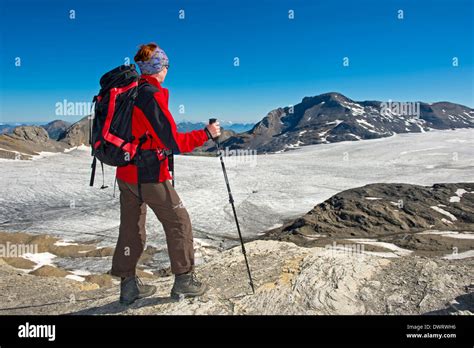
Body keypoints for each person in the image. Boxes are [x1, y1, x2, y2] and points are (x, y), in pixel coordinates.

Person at [110, 42, 221, 305]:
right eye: (167, 65)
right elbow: (173, 141)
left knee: (131, 228)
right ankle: (184, 280)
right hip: (150, 174)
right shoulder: (151, 95)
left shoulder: (130, 92)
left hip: (125, 174)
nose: (168, 69)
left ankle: (128, 287)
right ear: (160, 67)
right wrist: (206, 134)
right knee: (179, 222)